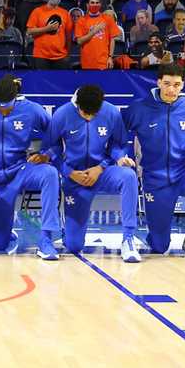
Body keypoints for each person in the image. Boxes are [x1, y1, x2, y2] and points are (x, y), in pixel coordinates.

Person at [125, 62, 185, 258]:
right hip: (154, 180)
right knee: (160, 246)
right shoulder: (139, 108)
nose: (171, 89)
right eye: (167, 83)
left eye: (176, 84)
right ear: (158, 82)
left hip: (184, 173)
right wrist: (122, 156)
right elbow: (116, 133)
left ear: (183, 85)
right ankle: (156, 235)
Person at [0, 75, 60, 259]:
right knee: (0, 244)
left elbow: (55, 134)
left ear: (15, 99)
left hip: (21, 169)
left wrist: (47, 154)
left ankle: (46, 239)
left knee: (49, 173)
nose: (3, 110)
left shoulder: (32, 110)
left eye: (7, 106)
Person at [47, 84, 140, 260]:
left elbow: (118, 144)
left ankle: (128, 239)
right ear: (77, 105)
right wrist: (69, 172)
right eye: (85, 114)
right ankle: (69, 232)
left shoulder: (111, 112)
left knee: (128, 176)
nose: (89, 118)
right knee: (74, 246)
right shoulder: (62, 114)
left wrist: (113, 161)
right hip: (76, 177)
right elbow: (51, 149)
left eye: (94, 114)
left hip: (102, 172)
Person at [25, 0, 72, 69]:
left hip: (61, 56)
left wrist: (68, 53)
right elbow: (29, 31)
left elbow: (68, 36)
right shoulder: (37, 11)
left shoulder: (65, 13)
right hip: (41, 56)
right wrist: (47, 29)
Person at [74, 0, 120, 70]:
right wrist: (94, 31)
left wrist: (110, 57)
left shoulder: (108, 19)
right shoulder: (81, 21)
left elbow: (112, 40)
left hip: (103, 62)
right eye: (92, 2)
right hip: (87, 62)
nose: (95, 5)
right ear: (87, 5)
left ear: (100, 4)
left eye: (97, 3)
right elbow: (79, 41)